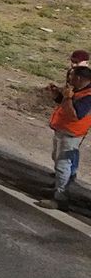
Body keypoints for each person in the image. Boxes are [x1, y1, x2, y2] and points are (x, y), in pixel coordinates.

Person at [38, 66, 91, 210]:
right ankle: (58, 189)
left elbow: (74, 114)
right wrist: (57, 95)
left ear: (79, 78)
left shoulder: (88, 96)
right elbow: (66, 104)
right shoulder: (80, 90)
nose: (69, 78)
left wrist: (67, 97)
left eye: (72, 76)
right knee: (57, 159)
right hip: (63, 131)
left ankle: (60, 198)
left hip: (71, 135)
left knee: (63, 165)